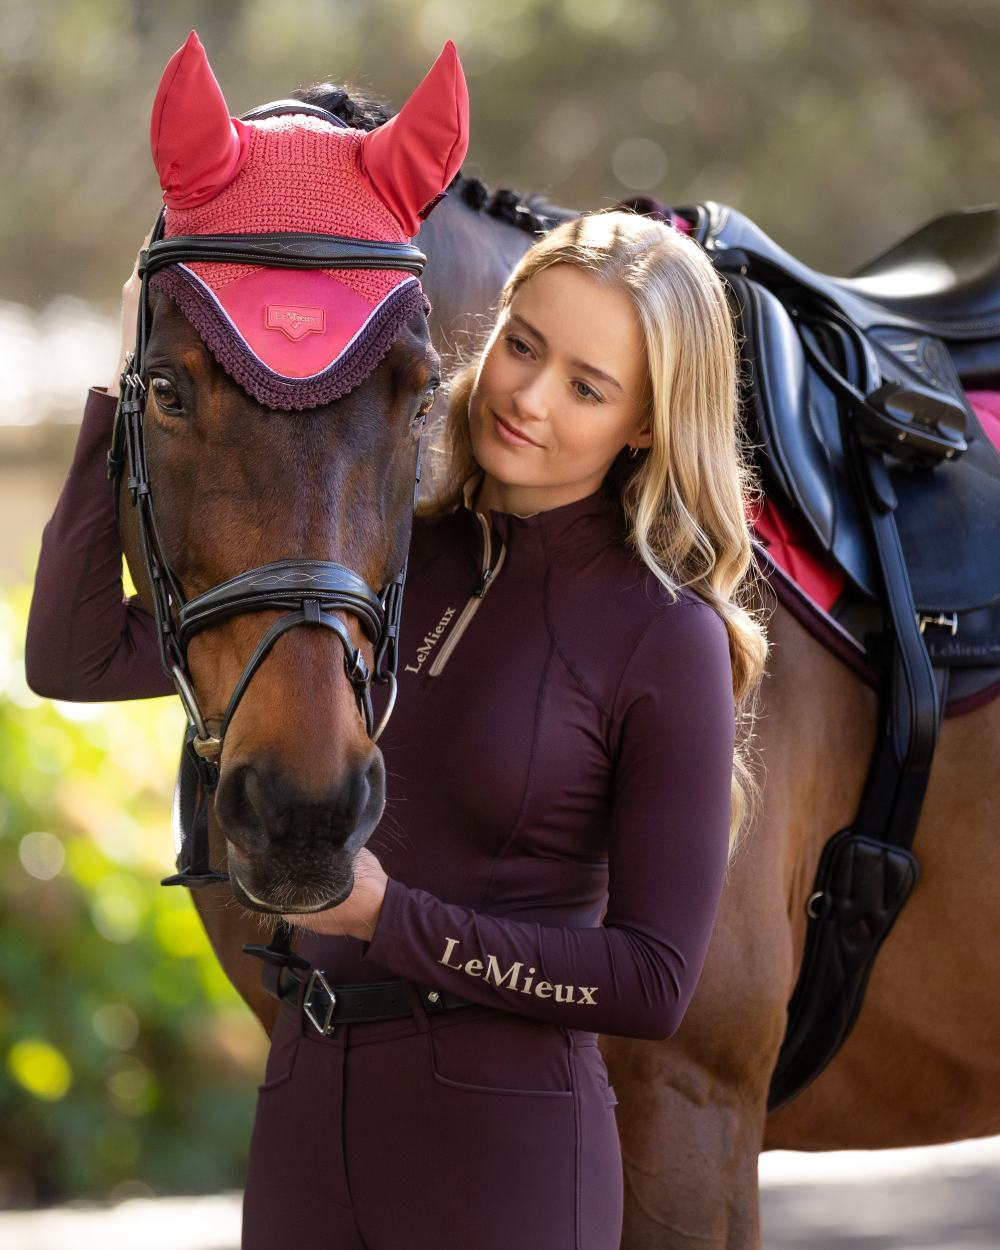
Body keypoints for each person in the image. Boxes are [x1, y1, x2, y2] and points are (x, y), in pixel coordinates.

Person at [25, 207, 769, 1249]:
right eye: (521, 343)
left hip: (502, 1146)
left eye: (586, 385)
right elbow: (75, 655)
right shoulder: (380, 563)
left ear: (643, 423)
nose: (526, 396)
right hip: (305, 1111)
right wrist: (125, 386)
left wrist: (391, 919)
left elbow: (650, 983)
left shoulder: (663, 636)